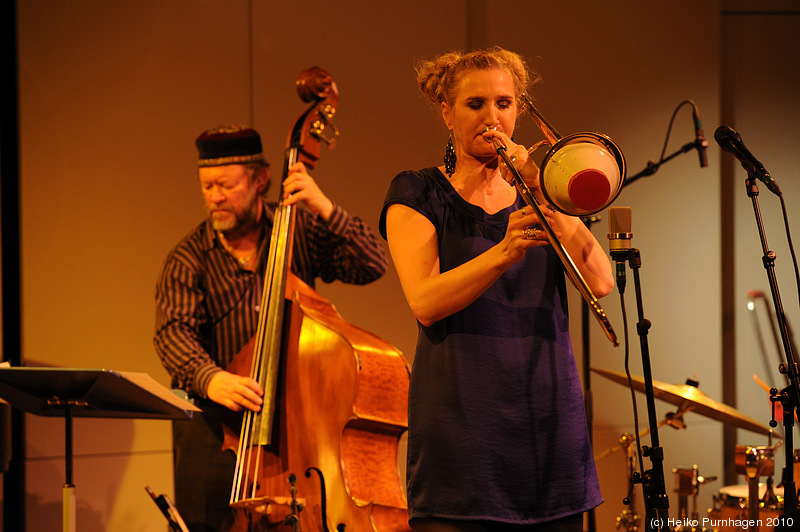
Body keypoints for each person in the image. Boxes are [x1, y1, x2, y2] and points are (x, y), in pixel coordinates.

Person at [379, 47, 614, 532]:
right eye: (476, 105)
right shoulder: (417, 192)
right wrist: (502, 253)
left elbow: (602, 281)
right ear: (447, 113)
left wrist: (543, 188)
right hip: (462, 438)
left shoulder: (544, 194)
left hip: (550, 432)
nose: (493, 118)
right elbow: (425, 302)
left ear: (519, 110)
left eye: (504, 104)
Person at [154, 125, 388, 532]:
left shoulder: (296, 230)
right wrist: (213, 379)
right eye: (207, 186)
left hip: (296, 431)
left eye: (226, 185)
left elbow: (371, 264)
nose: (215, 197)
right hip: (217, 432)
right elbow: (172, 333)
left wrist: (325, 208)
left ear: (261, 179)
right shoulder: (188, 258)